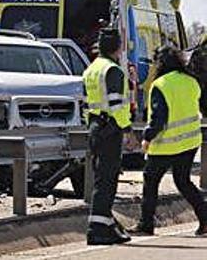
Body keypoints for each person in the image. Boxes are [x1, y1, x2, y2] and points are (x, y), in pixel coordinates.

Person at [130, 46, 207, 236]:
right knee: (184, 182)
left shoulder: (160, 84)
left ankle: (146, 224)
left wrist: (147, 138)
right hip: (190, 142)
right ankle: (205, 220)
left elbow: (158, 118)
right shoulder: (191, 81)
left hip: (165, 144)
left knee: (151, 181)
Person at [82, 28, 134, 245]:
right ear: (118, 48)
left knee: (101, 179)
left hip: (95, 126)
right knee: (108, 180)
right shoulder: (113, 71)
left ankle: (102, 224)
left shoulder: (91, 69)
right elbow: (116, 106)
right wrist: (127, 129)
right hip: (109, 128)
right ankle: (98, 229)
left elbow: (86, 103)